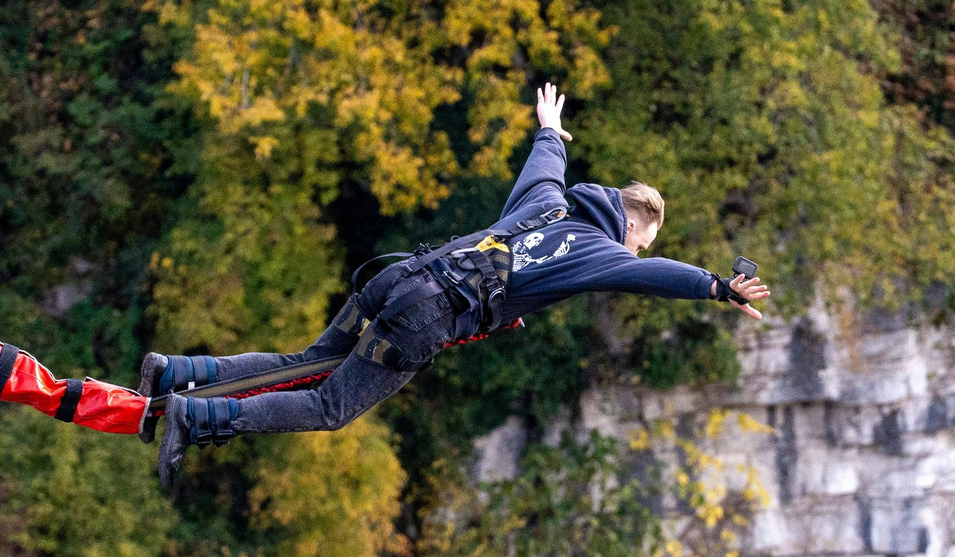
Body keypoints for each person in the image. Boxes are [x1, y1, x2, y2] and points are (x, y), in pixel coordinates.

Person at [139, 82, 773, 490]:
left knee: (306, 362)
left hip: (398, 278)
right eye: (641, 240)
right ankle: (196, 417)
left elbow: (546, 160)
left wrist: (550, 129)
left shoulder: (551, 201)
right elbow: (651, 276)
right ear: (631, 225)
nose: (635, 252)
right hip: (425, 318)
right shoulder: (601, 252)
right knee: (330, 406)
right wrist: (718, 287)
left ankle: (172, 373)